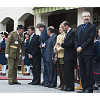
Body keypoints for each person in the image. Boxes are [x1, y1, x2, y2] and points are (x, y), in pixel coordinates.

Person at [74, 11, 96, 93]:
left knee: (88, 70)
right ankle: (84, 87)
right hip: (80, 52)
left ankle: (89, 88)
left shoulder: (92, 27)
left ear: (90, 17)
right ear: (82, 18)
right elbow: (75, 39)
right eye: (85, 16)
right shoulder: (79, 27)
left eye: (88, 16)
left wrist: (82, 47)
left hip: (87, 52)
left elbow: (90, 39)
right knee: (82, 70)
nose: (86, 18)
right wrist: (77, 48)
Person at [57, 21, 77, 91]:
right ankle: (67, 85)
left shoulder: (72, 32)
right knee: (67, 72)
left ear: (67, 26)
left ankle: (70, 86)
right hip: (67, 55)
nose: (62, 28)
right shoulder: (67, 33)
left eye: (63, 27)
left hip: (70, 55)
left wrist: (61, 44)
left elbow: (70, 44)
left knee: (69, 71)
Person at [36, 22, 49, 86]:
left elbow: (49, 38)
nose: (39, 30)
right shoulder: (42, 32)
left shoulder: (46, 31)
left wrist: (45, 44)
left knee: (46, 67)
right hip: (43, 50)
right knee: (44, 67)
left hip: (46, 50)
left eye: (39, 28)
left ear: (42, 27)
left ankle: (47, 80)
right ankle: (45, 80)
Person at [54, 24, 65, 89]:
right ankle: (60, 83)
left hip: (62, 54)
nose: (60, 29)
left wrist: (58, 49)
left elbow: (64, 45)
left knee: (62, 69)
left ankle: (63, 84)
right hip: (57, 54)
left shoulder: (65, 35)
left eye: (61, 27)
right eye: (59, 27)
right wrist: (54, 49)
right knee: (59, 70)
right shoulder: (58, 36)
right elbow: (56, 44)